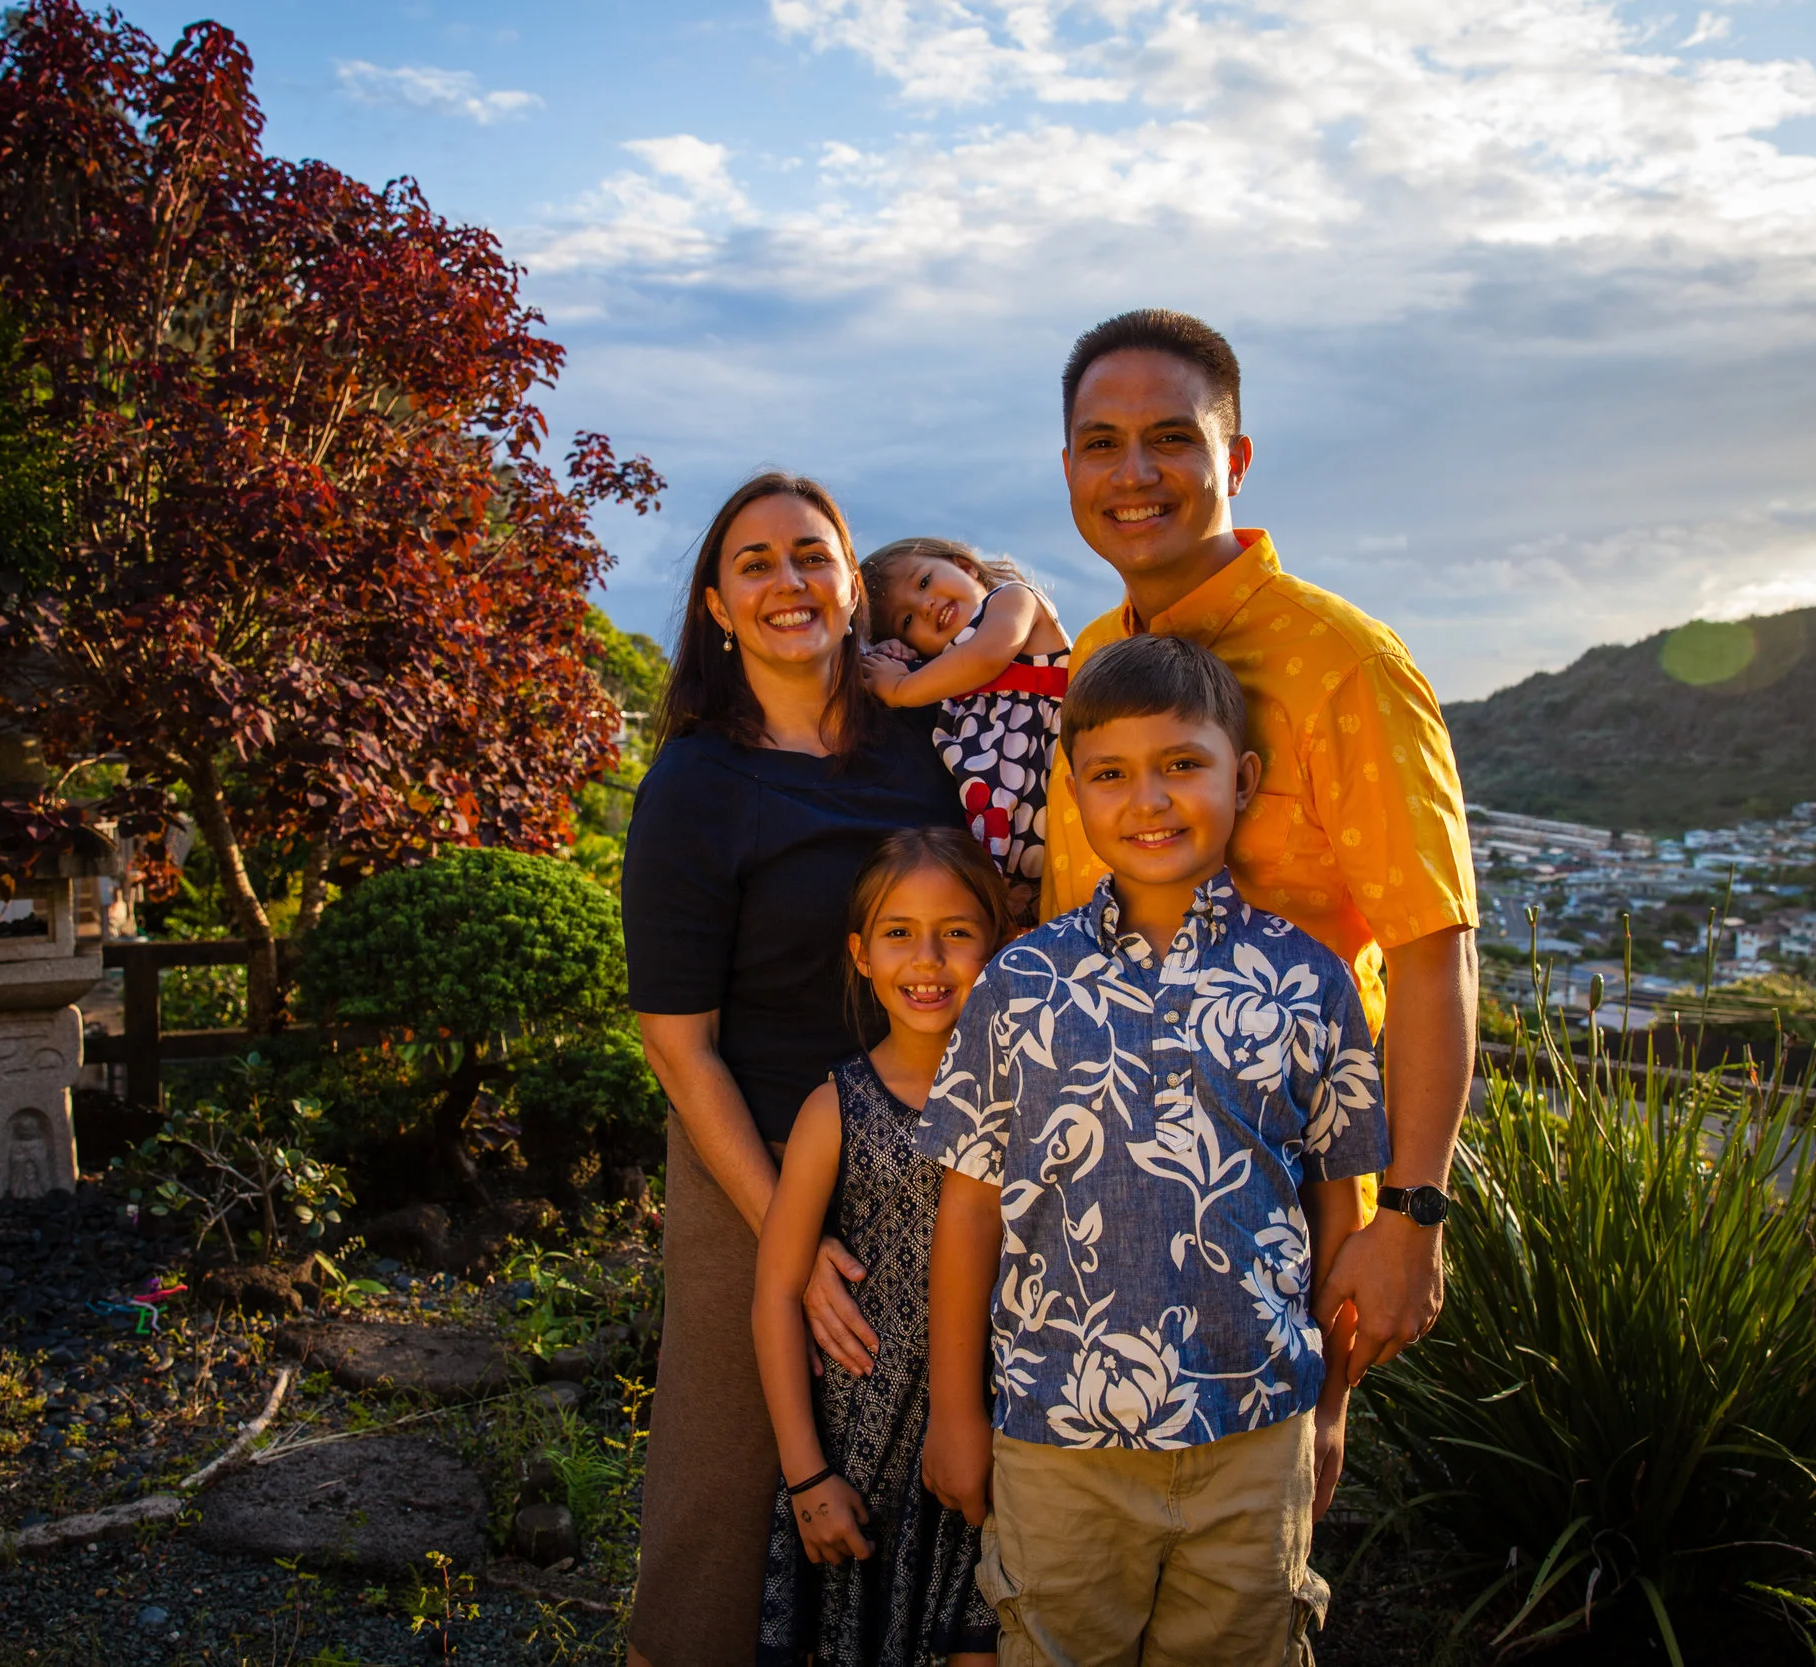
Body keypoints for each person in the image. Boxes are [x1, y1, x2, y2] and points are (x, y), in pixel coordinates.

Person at [916, 634, 1383, 1665]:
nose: (1149, 800)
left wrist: (1332, 1409)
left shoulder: (1308, 982)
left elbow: (1337, 1212)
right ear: (1073, 790)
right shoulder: (1019, 983)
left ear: (1242, 777)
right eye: (1113, 774)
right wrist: (957, 1411)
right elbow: (967, 1205)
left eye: (1182, 764)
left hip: (1254, 1432)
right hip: (1054, 1437)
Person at [1039, 307, 1479, 1394]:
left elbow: (1433, 947)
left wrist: (1416, 1216)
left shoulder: (1342, 664)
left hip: (1281, 1206)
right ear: (1066, 468)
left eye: (1171, 438)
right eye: (1101, 443)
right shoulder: (1095, 657)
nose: (1132, 471)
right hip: (1089, 1207)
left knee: (1252, 1546)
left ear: (1231, 458)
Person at [623, 474, 966, 1667]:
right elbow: (679, 1041)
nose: (787, 583)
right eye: (755, 563)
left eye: (811, 556)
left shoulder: (925, 744)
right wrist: (787, 1236)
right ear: (717, 604)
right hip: (753, 1157)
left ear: (852, 579)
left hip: (932, 1156)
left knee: (918, 1484)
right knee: (729, 1494)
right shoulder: (695, 786)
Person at [754, 827, 1010, 1667]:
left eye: (957, 932)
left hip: (1002, 1446)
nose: (928, 958)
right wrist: (805, 1476)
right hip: (862, 1461)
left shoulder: (1035, 1098)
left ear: (998, 943)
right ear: (862, 955)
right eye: (899, 932)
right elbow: (776, 1295)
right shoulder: (837, 1108)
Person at [858, 539, 1072, 922]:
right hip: (1020, 883)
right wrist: (894, 655)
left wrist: (902, 686)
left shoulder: (1012, 602)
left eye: (924, 582)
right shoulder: (952, 693)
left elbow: (988, 654)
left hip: (1073, 823)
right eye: (907, 622)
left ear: (965, 566)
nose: (924, 606)